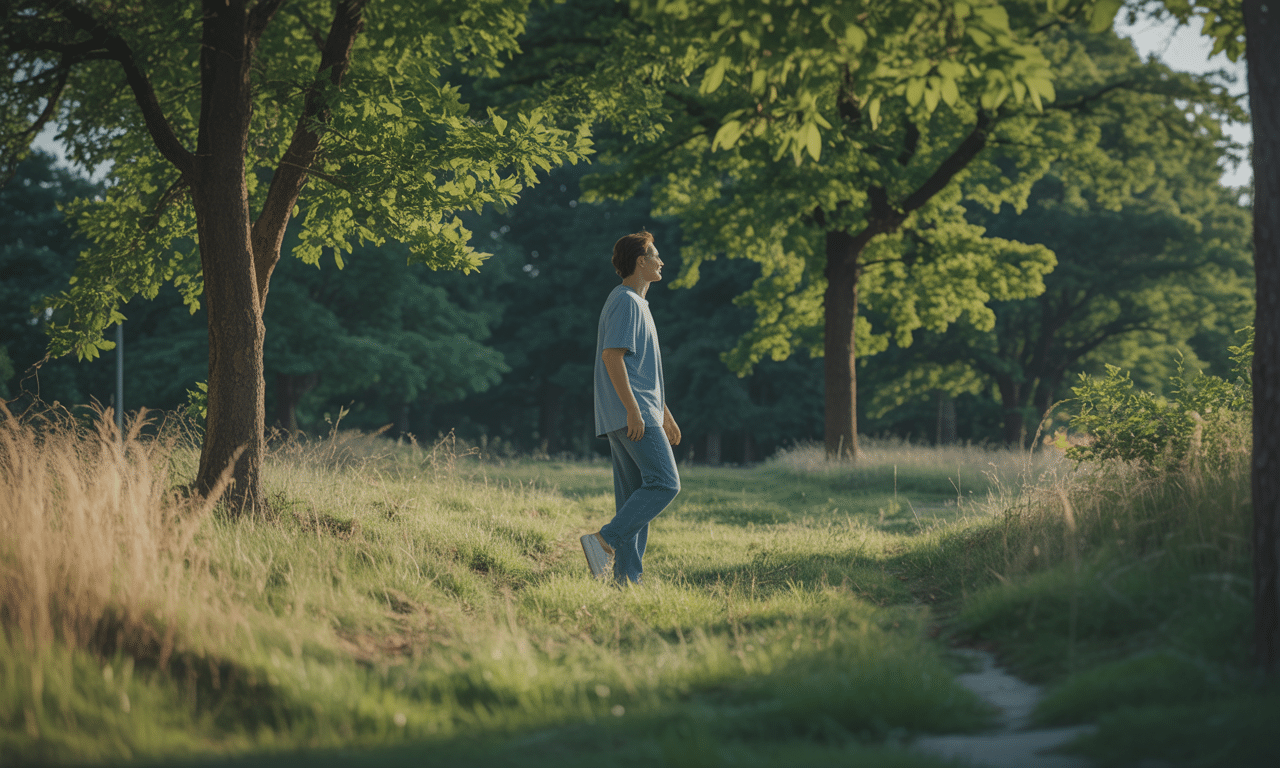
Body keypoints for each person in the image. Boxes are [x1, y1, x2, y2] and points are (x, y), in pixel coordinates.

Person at [581, 231, 681, 585]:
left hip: (637, 413)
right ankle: (602, 540)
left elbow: (643, 370)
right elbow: (613, 356)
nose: (661, 262)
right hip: (632, 415)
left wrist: (664, 415)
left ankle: (626, 583)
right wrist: (634, 411)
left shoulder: (637, 303)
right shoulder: (625, 301)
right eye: (656, 255)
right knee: (665, 484)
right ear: (641, 261)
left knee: (632, 501)